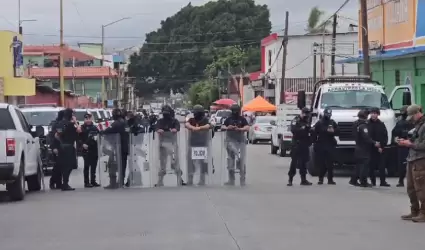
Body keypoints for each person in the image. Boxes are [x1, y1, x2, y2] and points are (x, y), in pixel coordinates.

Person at [397, 104, 425, 222]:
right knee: (411, 188)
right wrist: (406, 141)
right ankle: (414, 210)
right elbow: (415, 139)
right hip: (412, 158)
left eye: (411, 117)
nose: (411, 120)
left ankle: (423, 213)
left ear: (417, 113)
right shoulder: (418, 125)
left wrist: (410, 144)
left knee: (421, 188)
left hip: (421, 160)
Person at [349, 109, 380, 187]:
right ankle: (363, 181)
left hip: (357, 146)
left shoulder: (355, 123)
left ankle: (353, 180)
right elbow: (366, 137)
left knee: (358, 165)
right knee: (364, 165)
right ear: (365, 116)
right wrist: (374, 142)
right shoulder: (363, 125)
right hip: (363, 148)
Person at [221, 104, 250, 186]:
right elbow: (222, 127)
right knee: (230, 160)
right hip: (230, 142)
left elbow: (247, 127)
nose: (235, 112)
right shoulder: (228, 119)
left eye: (236, 110)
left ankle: (242, 179)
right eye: (234, 110)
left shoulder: (242, 119)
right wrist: (228, 127)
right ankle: (231, 180)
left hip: (240, 142)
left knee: (241, 161)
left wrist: (240, 129)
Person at [101, 108, 129, 188]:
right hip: (125, 147)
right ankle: (121, 182)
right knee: (122, 165)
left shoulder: (116, 123)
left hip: (118, 147)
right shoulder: (125, 123)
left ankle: (113, 183)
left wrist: (100, 132)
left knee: (112, 165)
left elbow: (107, 131)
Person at [185, 104, 212, 186]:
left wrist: (199, 128)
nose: (195, 114)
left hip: (202, 144)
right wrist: (192, 127)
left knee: (202, 162)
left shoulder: (205, 119)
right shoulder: (192, 119)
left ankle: (202, 179)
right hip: (192, 143)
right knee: (190, 162)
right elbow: (187, 124)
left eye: (196, 112)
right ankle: (190, 179)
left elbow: (209, 125)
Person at [55, 108, 81, 191]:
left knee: (63, 166)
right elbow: (79, 131)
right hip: (69, 147)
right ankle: (65, 184)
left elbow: (57, 135)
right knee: (69, 166)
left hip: (62, 146)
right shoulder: (71, 124)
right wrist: (75, 121)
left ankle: (62, 183)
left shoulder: (59, 123)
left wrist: (61, 142)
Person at [156, 105, 181, 186]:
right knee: (162, 163)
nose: (165, 115)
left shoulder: (174, 121)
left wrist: (175, 129)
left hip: (172, 144)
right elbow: (156, 127)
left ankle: (179, 179)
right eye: (164, 113)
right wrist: (158, 130)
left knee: (175, 162)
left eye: (167, 113)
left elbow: (178, 127)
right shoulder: (160, 121)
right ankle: (160, 180)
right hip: (163, 145)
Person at [312, 107, 338, 185]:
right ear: (324, 113)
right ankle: (321, 179)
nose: (328, 115)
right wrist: (315, 143)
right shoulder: (319, 123)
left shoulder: (332, 122)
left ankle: (330, 179)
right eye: (327, 114)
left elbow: (338, 131)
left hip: (330, 144)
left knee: (330, 164)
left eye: (329, 114)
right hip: (321, 145)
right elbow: (314, 133)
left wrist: (334, 131)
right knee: (322, 163)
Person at [288, 107, 312, 186]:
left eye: (308, 114)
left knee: (304, 162)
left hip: (304, 144)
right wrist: (303, 128)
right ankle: (290, 179)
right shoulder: (296, 120)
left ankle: (303, 180)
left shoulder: (307, 121)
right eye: (305, 113)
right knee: (294, 162)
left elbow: (309, 131)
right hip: (296, 144)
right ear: (302, 113)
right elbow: (294, 130)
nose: (307, 115)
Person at [367, 107, 390, 187]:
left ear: (378, 114)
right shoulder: (367, 124)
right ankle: (372, 181)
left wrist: (382, 146)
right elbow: (367, 137)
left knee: (382, 166)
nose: (373, 115)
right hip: (370, 148)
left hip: (380, 148)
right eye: (372, 113)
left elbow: (385, 136)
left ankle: (382, 181)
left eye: (375, 113)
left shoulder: (381, 124)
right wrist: (373, 144)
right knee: (371, 166)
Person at [392, 105, 414, 187]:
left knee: (406, 164)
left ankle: (403, 180)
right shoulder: (401, 123)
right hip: (403, 146)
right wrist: (397, 140)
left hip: (410, 145)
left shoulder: (414, 122)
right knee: (403, 164)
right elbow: (395, 134)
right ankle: (401, 180)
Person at [79, 113, 100, 188]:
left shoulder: (95, 127)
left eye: (89, 119)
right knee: (87, 166)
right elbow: (78, 138)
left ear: (92, 119)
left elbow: (98, 137)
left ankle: (93, 181)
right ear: (84, 119)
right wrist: (82, 144)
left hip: (94, 149)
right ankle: (86, 182)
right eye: (86, 119)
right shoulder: (81, 128)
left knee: (94, 166)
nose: (88, 120)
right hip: (86, 149)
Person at [48, 110, 64, 190]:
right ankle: (52, 182)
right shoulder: (56, 124)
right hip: (56, 147)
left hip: (62, 147)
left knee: (61, 166)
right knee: (57, 166)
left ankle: (58, 183)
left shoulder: (63, 123)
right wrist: (54, 147)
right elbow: (52, 137)